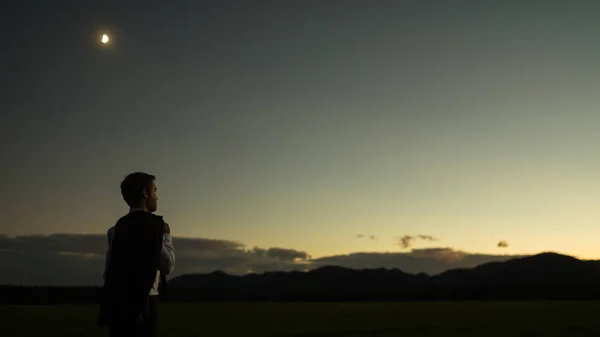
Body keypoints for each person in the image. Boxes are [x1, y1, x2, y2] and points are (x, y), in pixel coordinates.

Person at [98, 172, 175, 337]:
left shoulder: (115, 230)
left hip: (118, 305)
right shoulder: (156, 227)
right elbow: (167, 266)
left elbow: (109, 269)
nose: (157, 197)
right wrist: (166, 237)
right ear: (145, 193)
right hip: (144, 305)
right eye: (154, 191)